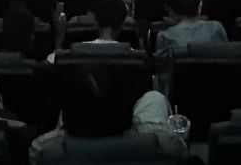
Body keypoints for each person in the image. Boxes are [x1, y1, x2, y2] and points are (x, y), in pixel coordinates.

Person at [29, 64, 185, 164]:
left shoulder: (43, 149)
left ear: (69, 114)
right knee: (154, 98)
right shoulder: (163, 145)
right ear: (124, 108)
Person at [155, 0, 227, 54]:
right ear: (198, 6)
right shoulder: (215, 28)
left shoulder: (164, 36)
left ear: (169, 8)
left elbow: (161, 61)